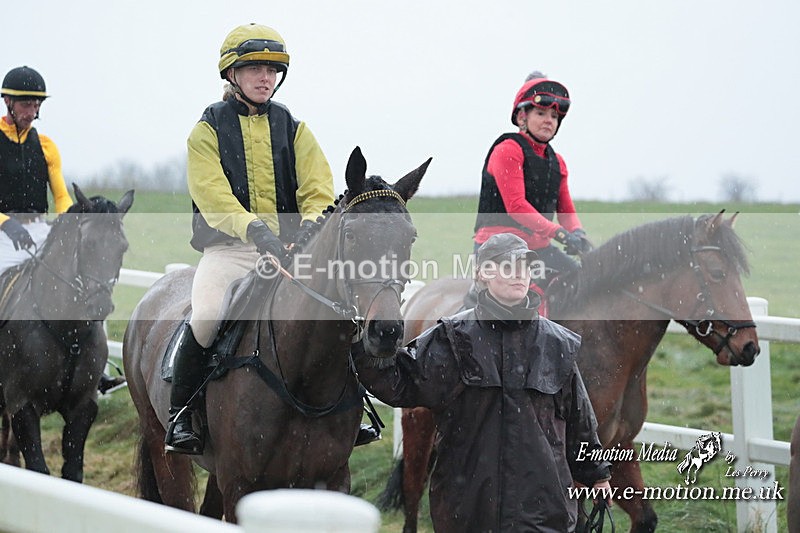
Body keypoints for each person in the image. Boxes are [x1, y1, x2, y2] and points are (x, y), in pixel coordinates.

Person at [166, 23, 385, 455]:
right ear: (232, 73)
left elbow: (318, 189)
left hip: (291, 251)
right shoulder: (207, 130)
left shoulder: (294, 128)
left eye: (271, 70)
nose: (265, 77)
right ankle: (182, 414)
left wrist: (307, 230)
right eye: (255, 69)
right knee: (208, 316)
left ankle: (352, 407)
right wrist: (256, 230)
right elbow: (213, 196)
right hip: (230, 250)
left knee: (337, 312)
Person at [353, 233, 612, 532]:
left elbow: (580, 420)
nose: (520, 274)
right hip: (468, 509)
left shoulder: (557, 343)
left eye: (525, 267)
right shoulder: (452, 338)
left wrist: (597, 475)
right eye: (508, 266)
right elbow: (400, 382)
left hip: (543, 511)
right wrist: (359, 340)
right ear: (483, 273)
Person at [0, 66, 125, 395]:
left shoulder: (46, 146)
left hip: (39, 230)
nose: (32, 111)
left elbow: (60, 196)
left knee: (78, 281)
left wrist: (70, 222)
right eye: (26, 104)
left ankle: (95, 370)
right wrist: (7, 223)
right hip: (2, 233)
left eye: (36, 104)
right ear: (8, 102)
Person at [474, 71, 591, 284]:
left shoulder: (558, 162)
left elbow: (566, 211)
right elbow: (516, 206)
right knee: (523, 293)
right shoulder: (508, 149)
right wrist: (560, 234)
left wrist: (578, 233)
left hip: (539, 248)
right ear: (522, 117)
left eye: (554, 116)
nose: (549, 121)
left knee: (585, 283)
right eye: (541, 113)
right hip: (500, 247)